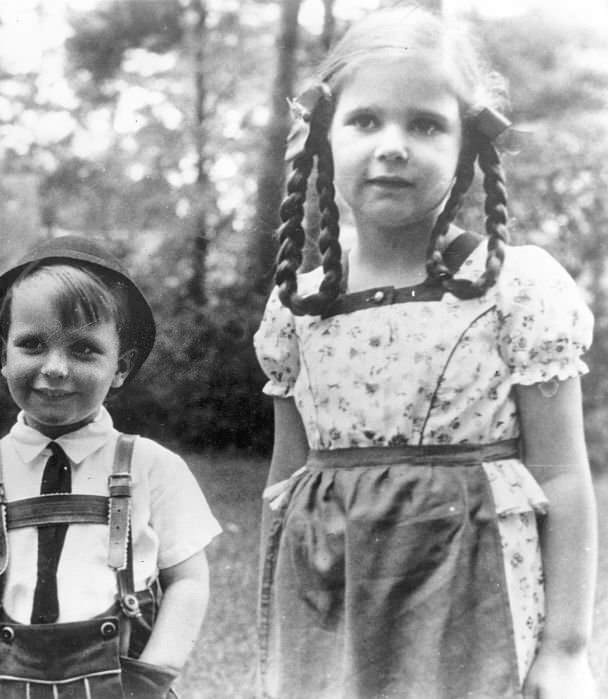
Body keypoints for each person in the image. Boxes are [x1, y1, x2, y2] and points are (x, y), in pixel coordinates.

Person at [254, 7, 597, 699]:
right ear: (323, 138)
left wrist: (565, 648)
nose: (393, 145)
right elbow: (286, 482)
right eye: (366, 120)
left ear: (466, 145)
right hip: (334, 609)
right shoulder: (301, 303)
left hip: (475, 604)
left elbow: (561, 475)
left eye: (426, 124)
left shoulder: (513, 289)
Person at [0, 236, 221, 698]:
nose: (56, 368)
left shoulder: (153, 467)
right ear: (4, 355)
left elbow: (188, 579)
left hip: (127, 685)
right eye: (33, 344)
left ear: (119, 368)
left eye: (83, 350)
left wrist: (153, 678)